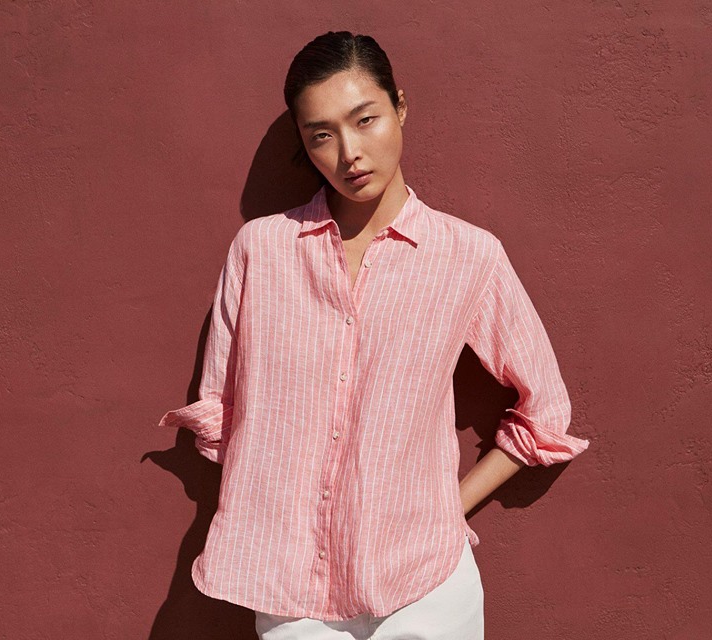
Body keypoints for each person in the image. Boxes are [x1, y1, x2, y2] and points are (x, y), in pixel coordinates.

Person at [158, 30, 590, 640]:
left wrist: (447, 509)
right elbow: (224, 415)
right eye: (321, 135)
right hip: (290, 587)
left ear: (400, 107)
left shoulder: (468, 256)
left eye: (366, 120)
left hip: (424, 583)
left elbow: (546, 408)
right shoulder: (261, 250)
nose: (350, 154)